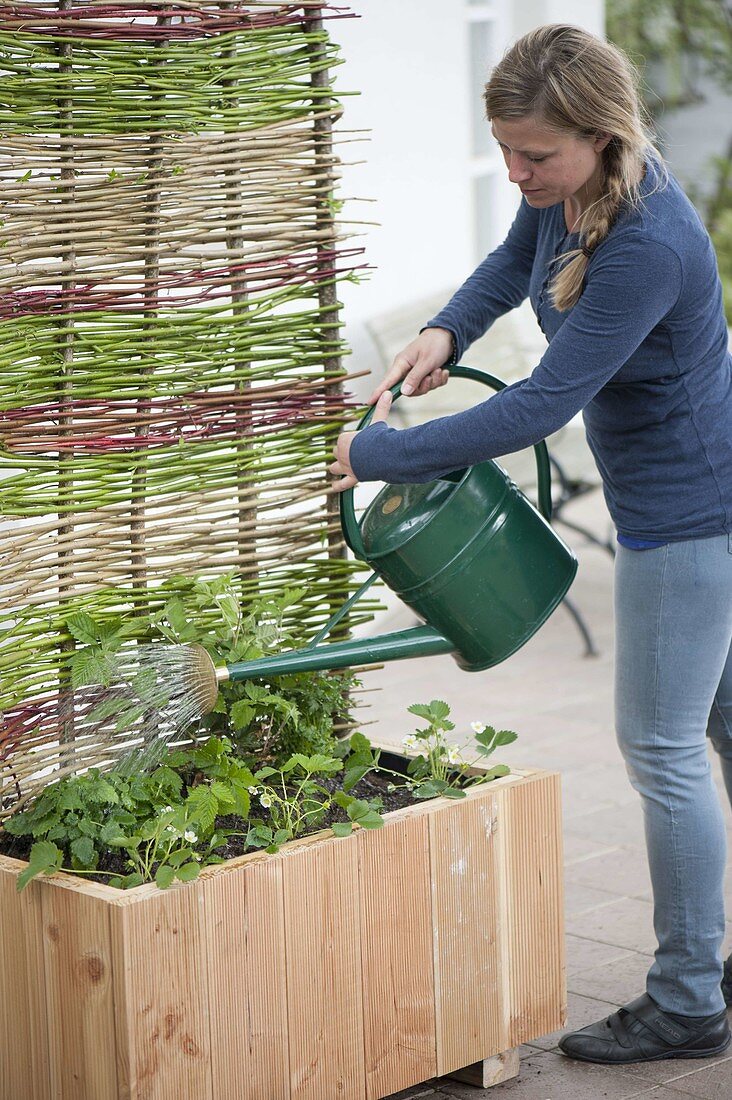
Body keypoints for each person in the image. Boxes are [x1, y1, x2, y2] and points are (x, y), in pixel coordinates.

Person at [329, 23, 732, 1066]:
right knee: (719, 732)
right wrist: (449, 332)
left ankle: (689, 995)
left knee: (661, 748)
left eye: (535, 155)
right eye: (505, 149)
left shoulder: (648, 242)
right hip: (707, 495)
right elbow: (513, 261)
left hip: (690, 514)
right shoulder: (571, 191)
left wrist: (379, 453)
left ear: (599, 135)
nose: (518, 170)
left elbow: (541, 406)